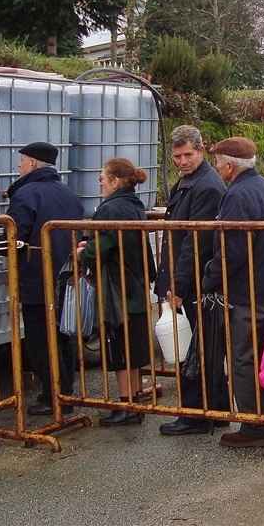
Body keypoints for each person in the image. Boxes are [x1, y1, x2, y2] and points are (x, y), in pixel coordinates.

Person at [200, 137, 264, 448]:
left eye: (218, 162)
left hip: (248, 291)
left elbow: (232, 250)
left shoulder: (237, 195)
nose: (216, 167)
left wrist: (209, 278)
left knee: (243, 359)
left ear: (228, 165)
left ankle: (254, 426)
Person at [155, 126, 228, 436]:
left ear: (201, 150)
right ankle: (216, 410)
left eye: (188, 155)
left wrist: (179, 286)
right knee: (199, 348)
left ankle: (196, 415)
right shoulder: (191, 181)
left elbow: (194, 244)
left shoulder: (206, 186)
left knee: (194, 350)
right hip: (190, 278)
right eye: (177, 156)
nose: (183, 161)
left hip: (195, 281)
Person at [6, 141, 84, 416]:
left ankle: (53, 395)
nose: (19, 165)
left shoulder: (27, 193)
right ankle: (66, 392)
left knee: (40, 338)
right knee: (62, 335)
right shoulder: (67, 192)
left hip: (36, 276)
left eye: (23, 160)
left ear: (34, 163)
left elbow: (14, 234)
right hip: (65, 276)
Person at [78, 158, 156, 426]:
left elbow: (101, 246)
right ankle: (134, 396)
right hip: (135, 283)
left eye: (102, 178)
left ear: (115, 181)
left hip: (117, 286)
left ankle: (126, 405)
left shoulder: (110, 209)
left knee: (119, 343)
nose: (100, 182)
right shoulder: (134, 205)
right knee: (133, 343)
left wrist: (83, 253)